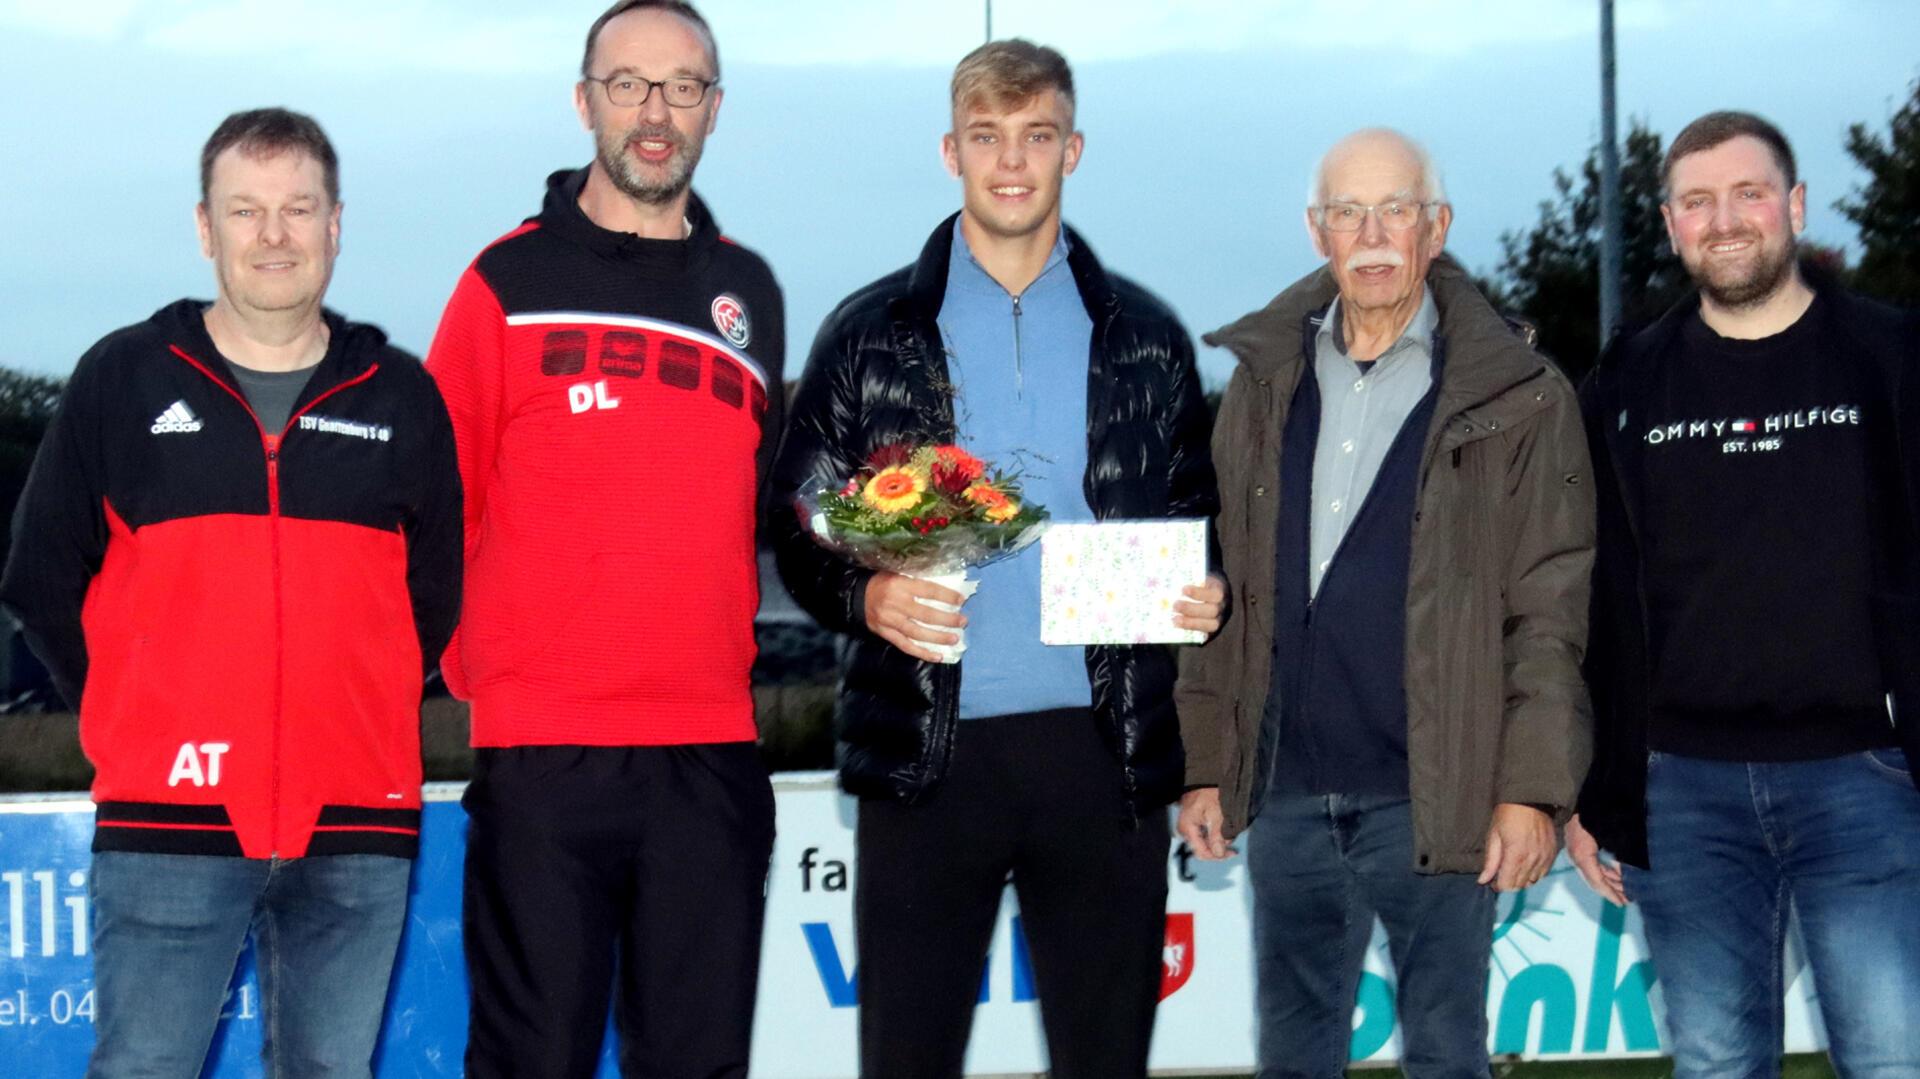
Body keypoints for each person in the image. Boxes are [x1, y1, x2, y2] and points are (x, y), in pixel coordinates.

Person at [771, 39, 1220, 1079]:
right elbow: (797, 520)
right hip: (928, 753)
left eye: (1035, 135)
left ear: (1074, 149)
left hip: (1100, 755)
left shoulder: (1148, 335)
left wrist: (1213, 588)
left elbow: (1200, 517)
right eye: (987, 136)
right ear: (950, 151)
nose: (1010, 160)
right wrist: (865, 588)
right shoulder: (870, 331)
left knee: (1104, 1060)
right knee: (906, 1057)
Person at [0, 106, 461, 1078]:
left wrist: (356, 711)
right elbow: (39, 575)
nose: (274, 235)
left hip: (356, 823)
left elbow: (435, 598)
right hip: (168, 816)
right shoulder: (122, 381)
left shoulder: (402, 396)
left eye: (299, 208)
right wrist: (140, 713)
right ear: (205, 229)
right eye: (245, 210)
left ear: (336, 224)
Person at [1174, 128, 1595, 1079]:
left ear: (1435, 227)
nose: (1372, 234)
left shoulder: (1520, 396)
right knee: (1293, 1056)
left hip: (1439, 797)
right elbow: (1223, 588)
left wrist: (1529, 788)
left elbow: (1550, 607)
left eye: (1396, 208)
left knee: (1446, 1054)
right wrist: (1209, 764)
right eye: (1347, 212)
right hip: (1284, 795)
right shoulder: (1258, 385)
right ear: (1316, 231)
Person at [422, 1, 784, 1075]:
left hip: (712, 751)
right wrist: (483, 670)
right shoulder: (503, 283)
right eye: (628, 84)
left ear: (714, 108)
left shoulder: (748, 291)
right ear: (585, 103)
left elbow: (752, 505)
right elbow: (444, 500)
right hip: (545, 751)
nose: (655, 112)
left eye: (683, 86)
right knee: (535, 1058)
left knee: (699, 1060)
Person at [1567, 110, 1920, 1077]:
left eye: (1748, 193)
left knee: (1895, 1059)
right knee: (1716, 1065)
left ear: (1795, 205)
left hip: (1868, 782)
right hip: (1682, 794)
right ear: (1673, 224)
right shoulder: (1627, 380)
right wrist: (1590, 786)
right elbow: (1589, 597)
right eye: (1697, 201)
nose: (1725, 220)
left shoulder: (1892, 358)